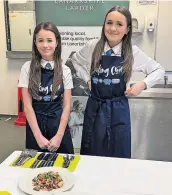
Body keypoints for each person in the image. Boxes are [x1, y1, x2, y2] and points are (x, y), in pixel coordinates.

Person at [71, 6, 165, 158]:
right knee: (92, 151)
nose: (113, 28)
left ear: (127, 29)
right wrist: (87, 79)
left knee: (118, 152)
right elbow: (75, 60)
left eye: (119, 24)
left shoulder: (132, 52)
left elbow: (159, 70)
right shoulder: (93, 46)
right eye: (109, 23)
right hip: (95, 107)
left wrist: (142, 84)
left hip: (118, 110)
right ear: (104, 26)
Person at [18, 21, 74, 154]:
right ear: (35, 43)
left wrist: (59, 136)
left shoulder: (65, 70)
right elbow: (27, 106)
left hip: (58, 123)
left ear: (57, 42)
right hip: (35, 124)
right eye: (40, 40)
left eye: (49, 40)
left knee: (64, 166)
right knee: (37, 166)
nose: (45, 45)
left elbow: (67, 106)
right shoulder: (27, 68)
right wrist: (38, 136)